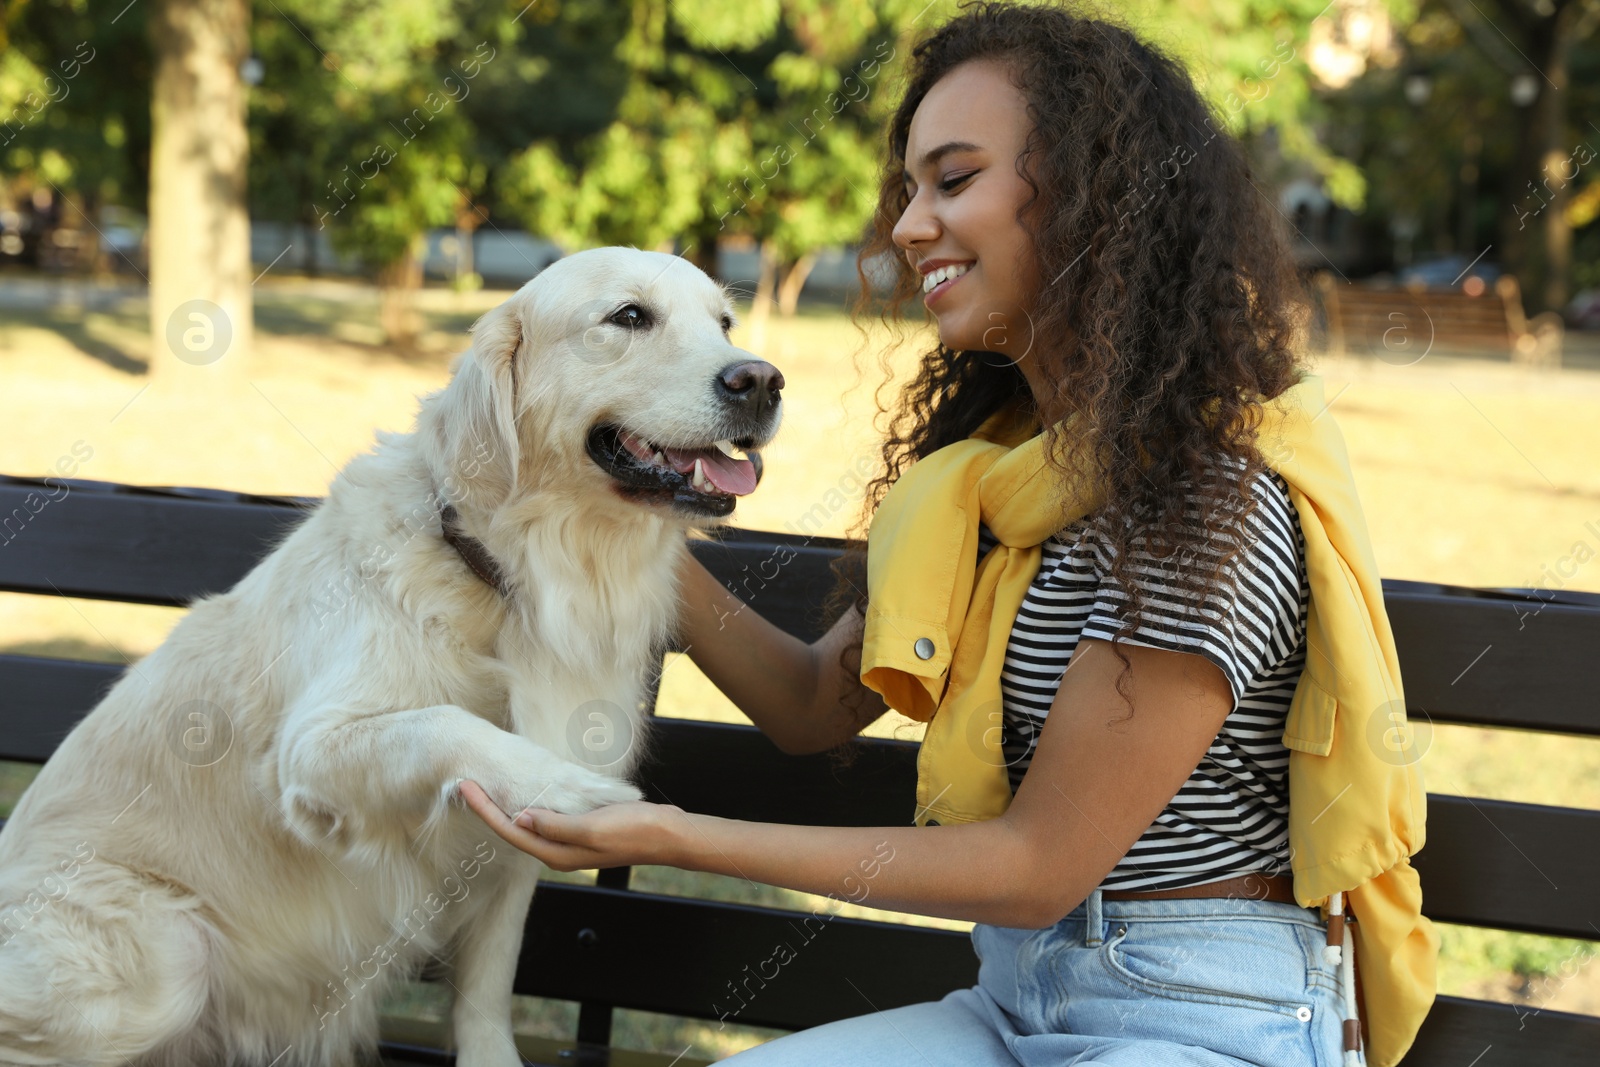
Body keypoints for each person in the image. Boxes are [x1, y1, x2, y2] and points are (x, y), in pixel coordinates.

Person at [459, 4, 1435, 1064]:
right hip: (1012, 1004)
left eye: (954, 180)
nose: (909, 225)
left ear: (1093, 197)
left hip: (1205, 1018)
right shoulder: (985, 480)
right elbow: (810, 706)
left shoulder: (1206, 499)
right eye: (910, 189)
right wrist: (619, 512)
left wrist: (671, 833)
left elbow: (1039, 864)